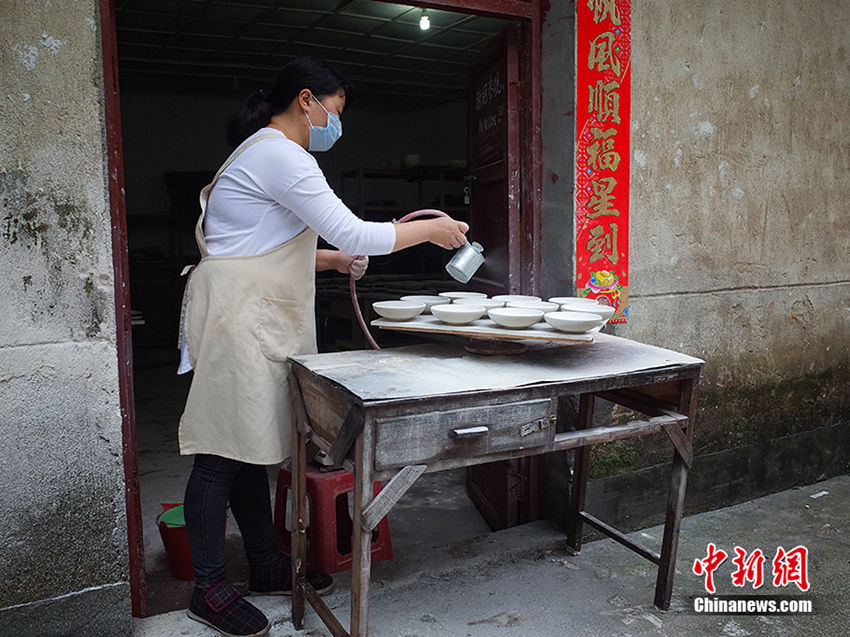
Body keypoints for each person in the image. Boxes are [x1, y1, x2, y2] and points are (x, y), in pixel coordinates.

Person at [176, 56, 468, 637]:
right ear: (306, 100)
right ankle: (207, 588)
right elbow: (357, 230)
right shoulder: (281, 154)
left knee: (251, 444)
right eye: (335, 112)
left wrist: (332, 261)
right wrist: (432, 231)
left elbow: (252, 240)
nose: (337, 125)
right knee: (219, 454)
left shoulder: (263, 153)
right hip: (239, 318)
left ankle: (262, 562)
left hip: (247, 309)